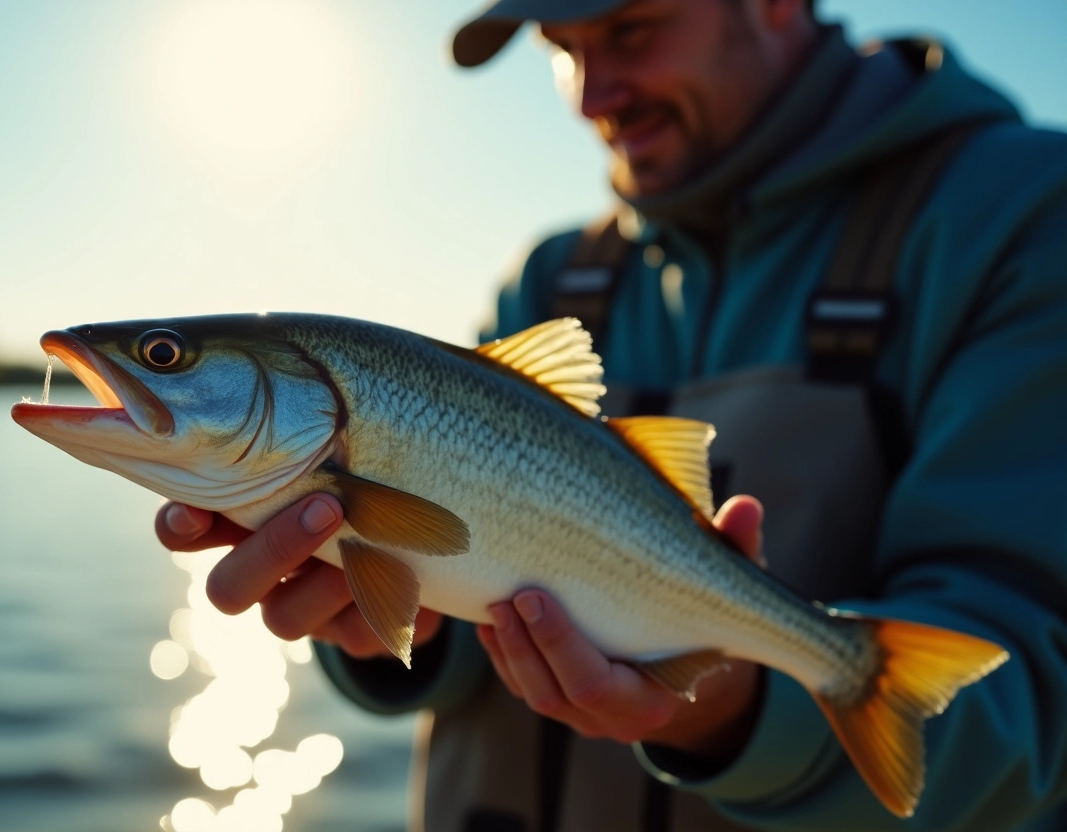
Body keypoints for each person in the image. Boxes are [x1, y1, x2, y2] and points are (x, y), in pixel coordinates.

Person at [156, 0, 1067, 829]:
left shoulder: (1024, 214)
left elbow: (1039, 703)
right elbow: (486, 619)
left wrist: (734, 708)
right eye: (563, 48)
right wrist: (391, 623)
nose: (595, 93)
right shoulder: (552, 281)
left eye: (631, 30)